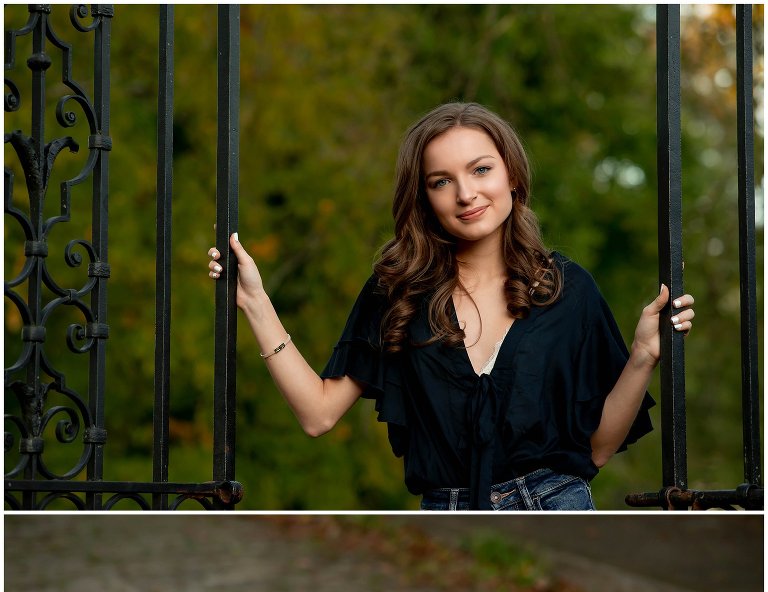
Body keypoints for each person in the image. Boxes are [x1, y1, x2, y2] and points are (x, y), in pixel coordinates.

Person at [208, 102, 695, 511]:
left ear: (512, 177)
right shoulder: (397, 291)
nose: (466, 194)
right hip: (449, 509)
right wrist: (254, 299)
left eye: (481, 169)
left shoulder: (568, 289)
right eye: (441, 181)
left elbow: (599, 448)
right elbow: (318, 414)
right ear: (423, 198)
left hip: (557, 505)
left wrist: (642, 357)